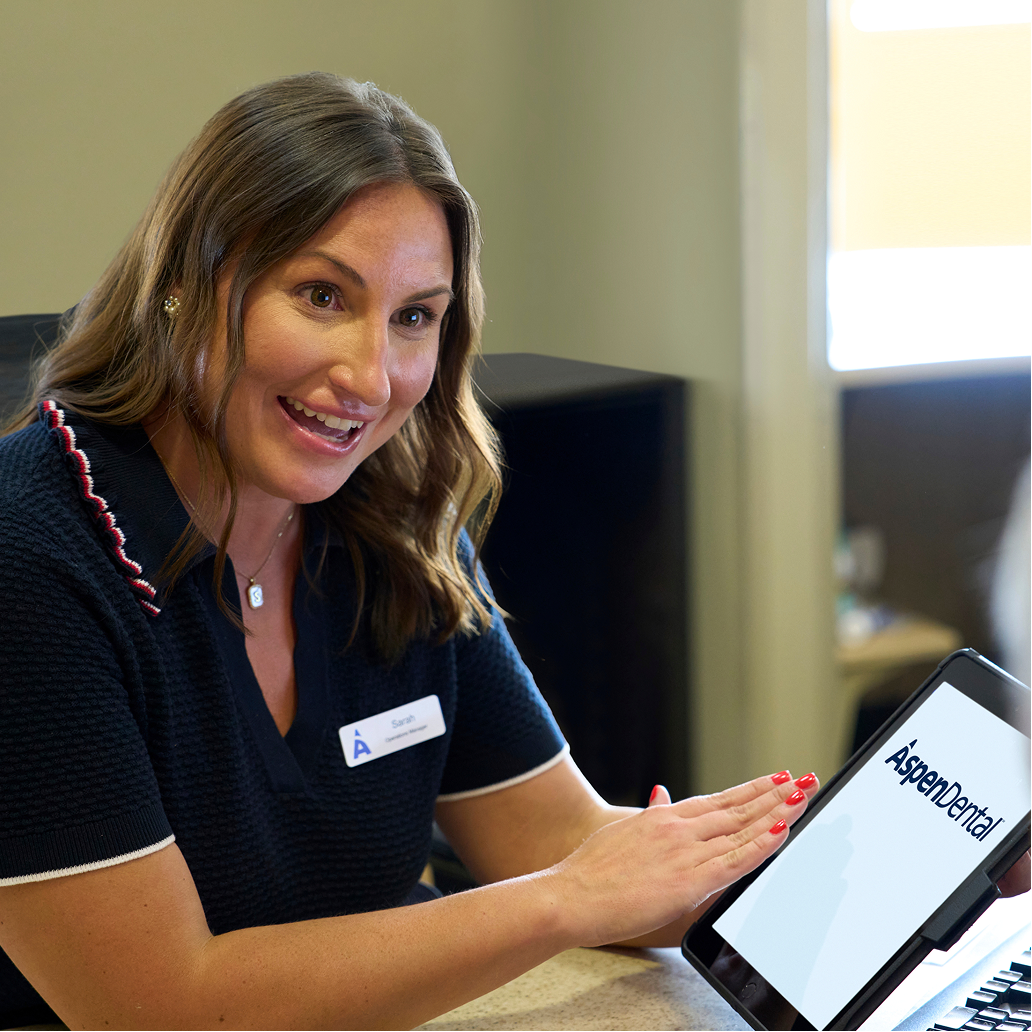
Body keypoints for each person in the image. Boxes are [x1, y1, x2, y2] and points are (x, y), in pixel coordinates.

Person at [0, 73, 1014, 1031]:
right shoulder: (31, 555)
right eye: (320, 296)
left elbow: (565, 843)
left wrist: (892, 867)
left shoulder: (390, 524)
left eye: (415, 319)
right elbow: (155, 1005)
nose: (371, 375)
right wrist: (566, 900)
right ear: (187, 282)